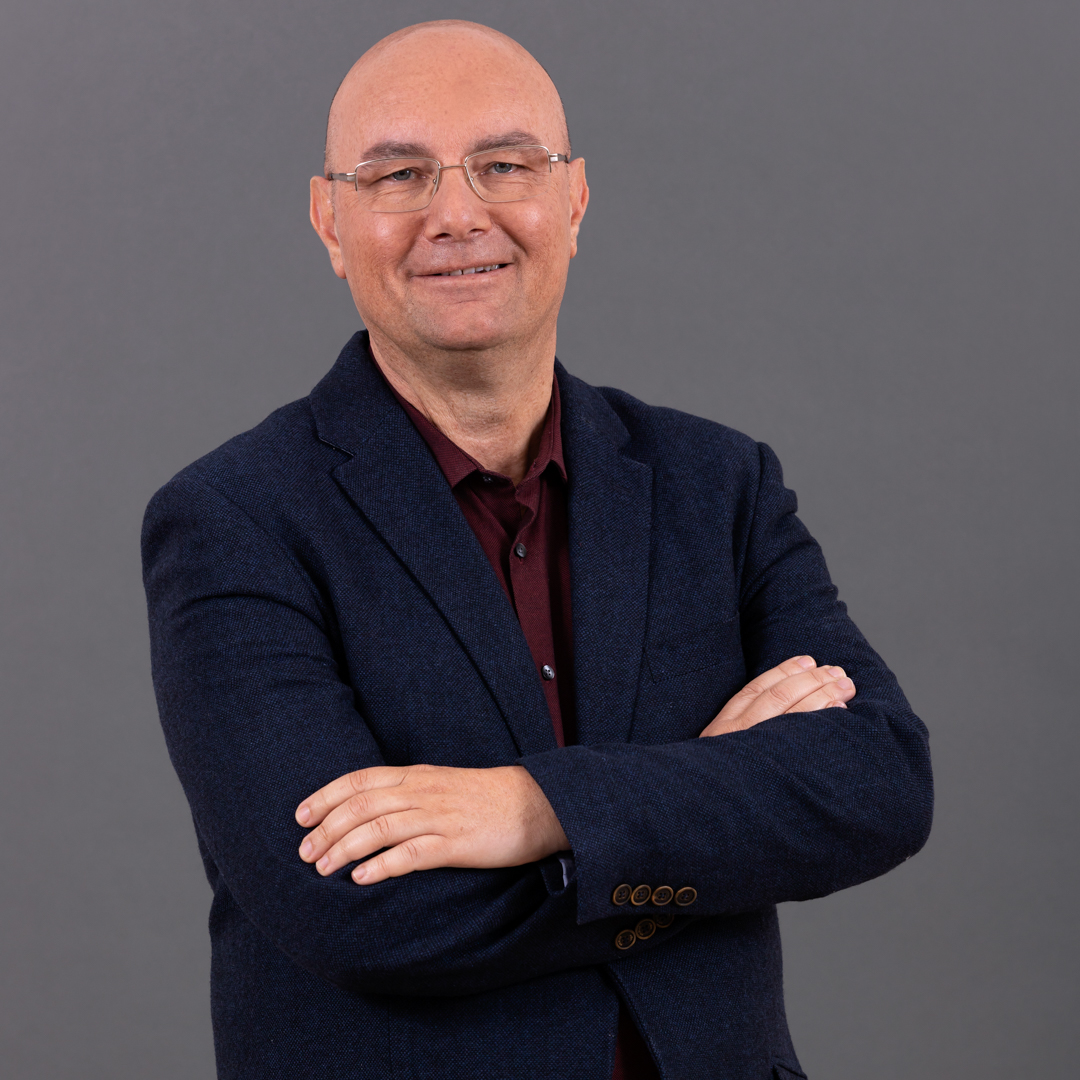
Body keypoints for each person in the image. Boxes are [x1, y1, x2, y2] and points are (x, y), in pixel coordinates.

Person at [142, 20, 932, 1080]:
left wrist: (530, 811)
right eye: (399, 175)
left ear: (575, 199)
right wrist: (704, 810)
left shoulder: (718, 484)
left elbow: (880, 782)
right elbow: (358, 914)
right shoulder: (233, 519)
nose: (456, 214)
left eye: (505, 165)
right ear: (330, 221)